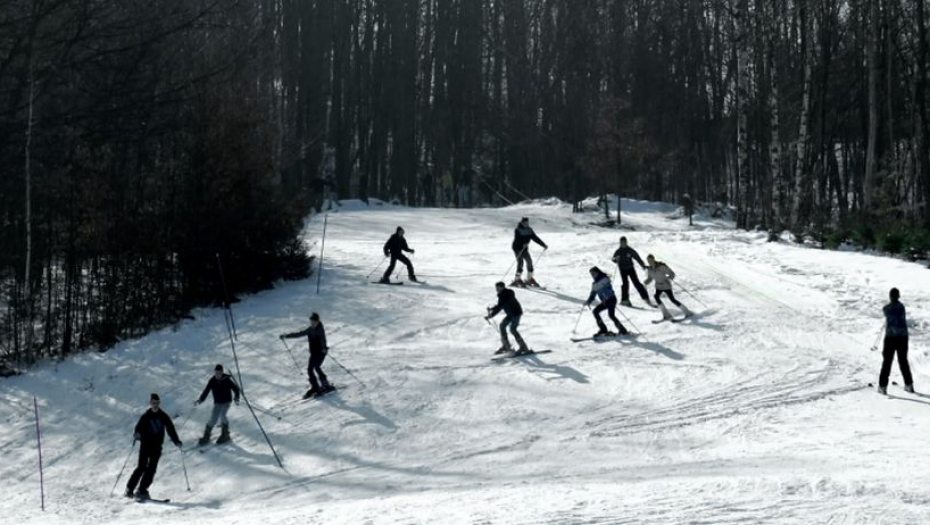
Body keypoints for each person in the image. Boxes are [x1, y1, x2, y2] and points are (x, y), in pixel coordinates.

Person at [125, 393, 182, 500]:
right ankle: (129, 488)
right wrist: (137, 434)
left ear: (159, 403)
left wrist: (176, 441)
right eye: (153, 403)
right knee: (141, 467)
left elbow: (171, 429)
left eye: (156, 403)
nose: (155, 405)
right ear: (150, 403)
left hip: (156, 447)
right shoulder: (145, 416)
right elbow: (138, 428)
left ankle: (142, 490)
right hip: (145, 445)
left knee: (151, 469)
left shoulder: (163, 416)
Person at [281, 312, 333, 399]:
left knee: (316, 367)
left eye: (313, 322)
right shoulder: (310, 329)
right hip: (313, 353)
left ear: (317, 322)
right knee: (309, 370)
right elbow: (299, 334)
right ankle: (315, 387)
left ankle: (325, 384)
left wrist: (324, 347)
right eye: (311, 322)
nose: (312, 324)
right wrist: (286, 336)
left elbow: (323, 339)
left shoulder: (320, 329)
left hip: (321, 352)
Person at [878, 287, 914, 394]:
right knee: (903, 361)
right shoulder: (902, 307)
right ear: (899, 296)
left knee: (887, 362)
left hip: (891, 338)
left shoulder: (887, 308)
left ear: (890, 296)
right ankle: (909, 385)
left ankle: (883, 386)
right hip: (903, 337)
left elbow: (885, 310)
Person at [195, 364, 241, 446]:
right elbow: (206, 391)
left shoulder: (227, 380)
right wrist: (201, 399)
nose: (217, 375)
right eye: (216, 373)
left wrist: (237, 398)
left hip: (227, 401)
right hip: (217, 402)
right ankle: (206, 436)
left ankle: (225, 434)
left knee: (223, 416)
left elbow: (236, 389)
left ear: (222, 373)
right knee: (213, 418)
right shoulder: (212, 381)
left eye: (219, 373)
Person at [644, 254, 693, 320]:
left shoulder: (661, 266)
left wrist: (669, 278)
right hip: (658, 286)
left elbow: (672, 273)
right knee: (656, 296)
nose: (650, 262)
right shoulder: (649, 269)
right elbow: (650, 278)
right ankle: (666, 314)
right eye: (648, 261)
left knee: (672, 300)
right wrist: (646, 282)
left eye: (651, 260)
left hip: (666, 285)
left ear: (653, 259)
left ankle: (687, 312)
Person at [486, 282, 530, 355]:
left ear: (502, 287)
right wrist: (491, 311)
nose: (496, 289)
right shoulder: (501, 295)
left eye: (497, 288)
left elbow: (501, 305)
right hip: (510, 314)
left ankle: (523, 347)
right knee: (502, 326)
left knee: (513, 329)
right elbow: (500, 305)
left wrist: (491, 314)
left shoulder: (509, 293)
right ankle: (506, 346)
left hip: (516, 313)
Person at [585, 267, 630, 337]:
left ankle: (623, 330)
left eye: (593, 273)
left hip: (611, 299)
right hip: (605, 301)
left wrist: (606, 295)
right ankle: (603, 329)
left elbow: (609, 289)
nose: (592, 275)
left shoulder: (605, 279)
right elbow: (593, 294)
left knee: (611, 315)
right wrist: (589, 301)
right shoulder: (594, 284)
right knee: (595, 312)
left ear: (598, 272)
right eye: (591, 274)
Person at [611, 237, 652, 307]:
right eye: (622, 243)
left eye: (624, 242)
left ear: (626, 242)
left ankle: (645, 298)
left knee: (636, 282)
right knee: (625, 284)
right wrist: (615, 259)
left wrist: (643, 265)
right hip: (622, 269)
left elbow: (637, 257)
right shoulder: (618, 251)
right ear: (620, 243)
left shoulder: (630, 250)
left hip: (630, 268)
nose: (623, 244)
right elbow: (613, 259)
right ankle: (625, 300)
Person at [511, 217, 548, 287]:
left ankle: (529, 279)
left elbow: (535, 238)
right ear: (522, 222)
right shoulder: (518, 230)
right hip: (517, 248)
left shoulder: (529, 230)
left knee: (529, 261)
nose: (526, 224)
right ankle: (517, 280)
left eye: (527, 223)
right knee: (520, 262)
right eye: (524, 223)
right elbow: (517, 239)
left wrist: (543, 245)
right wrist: (522, 244)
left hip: (524, 249)